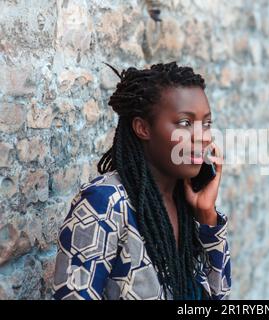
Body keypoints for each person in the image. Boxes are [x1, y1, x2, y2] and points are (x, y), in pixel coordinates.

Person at [52, 61, 231, 300]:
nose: (203, 137)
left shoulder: (187, 204)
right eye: (185, 123)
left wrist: (207, 217)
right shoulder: (105, 204)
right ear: (142, 128)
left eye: (206, 124)